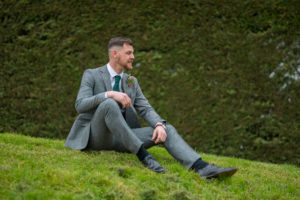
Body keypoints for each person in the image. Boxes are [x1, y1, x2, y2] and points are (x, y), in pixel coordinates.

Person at [65, 37, 237, 179]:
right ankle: (144, 156)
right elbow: (80, 105)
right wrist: (109, 94)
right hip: (97, 137)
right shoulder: (92, 74)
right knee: (109, 103)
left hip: (124, 138)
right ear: (115, 54)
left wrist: (159, 125)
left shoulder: (132, 82)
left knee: (166, 128)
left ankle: (203, 168)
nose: (133, 57)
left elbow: (145, 109)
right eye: (129, 53)